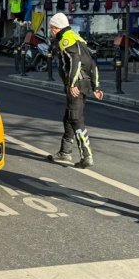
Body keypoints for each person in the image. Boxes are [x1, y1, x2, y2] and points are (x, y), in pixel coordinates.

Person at [47, 12, 103, 169]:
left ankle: (86, 155)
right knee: (69, 118)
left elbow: (75, 62)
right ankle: (65, 151)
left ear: (57, 28)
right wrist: (96, 86)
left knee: (75, 118)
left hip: (76, 85)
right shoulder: (78, 38)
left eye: (52, 28)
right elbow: (92, 64)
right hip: (84, 84)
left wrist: (71, 84)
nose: (51, 31)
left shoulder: (65, 40)